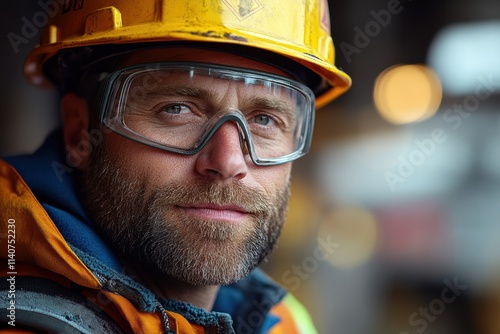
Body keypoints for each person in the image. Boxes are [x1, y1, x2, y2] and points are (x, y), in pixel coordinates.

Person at [0, 1, 351, 333]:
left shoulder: (282, 321)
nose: (228, 162)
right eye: (177, 109)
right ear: (81, 133)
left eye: (264, 119)